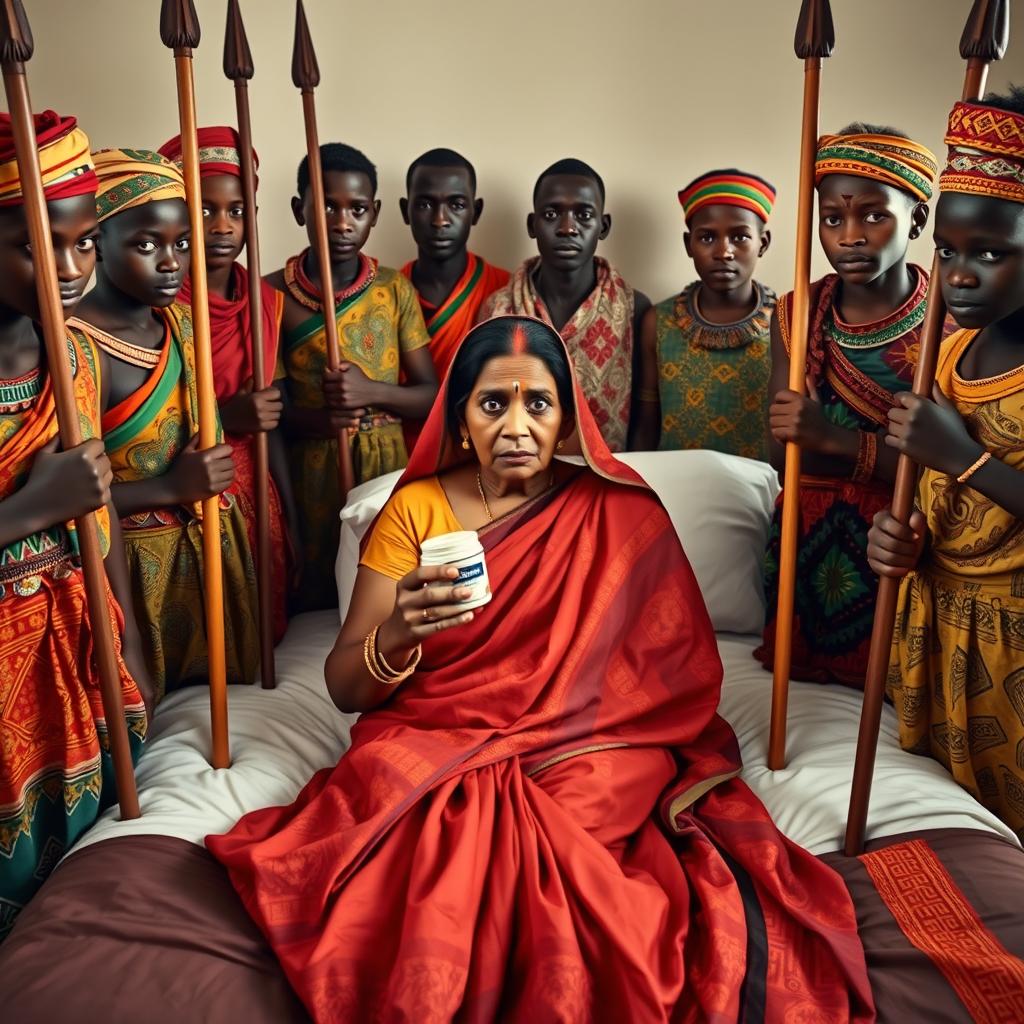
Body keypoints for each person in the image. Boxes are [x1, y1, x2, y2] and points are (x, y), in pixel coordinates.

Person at [207, 316, 875, 1023]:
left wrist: (572, 729)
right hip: (443, 733)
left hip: (593, 742)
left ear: (568, 418)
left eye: (540, 403)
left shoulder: (618, 509)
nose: (518, 425)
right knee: (402, 810)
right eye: (494, 404)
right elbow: (347, 688)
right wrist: (399, 630)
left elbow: (672, 676)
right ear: (460, 418)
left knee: (562, 843)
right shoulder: (416, 507)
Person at [0, 113, 148, 938]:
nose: (69, 269)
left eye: (85, 242)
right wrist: (27, 510)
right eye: (36, 247)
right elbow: (60, 500)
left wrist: (128, 651)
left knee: (76, 894)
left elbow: (97, 517)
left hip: (70, 643)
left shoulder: (79, 357)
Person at [867, 88, 1024, 838]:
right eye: (950, 252)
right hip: (937, 632)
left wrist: (961, 458)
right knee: (949, 834)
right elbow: (930, 502)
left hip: (1016, 647)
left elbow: (956, 468)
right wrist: (902, 538)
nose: (958, 275)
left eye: (991, 254)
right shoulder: (948, 350)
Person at [755, 125, 941, 687]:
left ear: (916, 220)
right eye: (832, 219)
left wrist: (834, 441)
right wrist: (803, 438)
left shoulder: (947, 325)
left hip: (902, 548)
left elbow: (943, 476)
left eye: (873, 216)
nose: (850, 236)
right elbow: (777, 454)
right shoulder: (797, 314)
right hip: (804, 545)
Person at [71, 149, 259, 697]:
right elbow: (80, 502)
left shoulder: (181, 319)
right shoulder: (77, 347)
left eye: (181, 244)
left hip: (210, 553)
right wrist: (170, 488)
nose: (172, 262)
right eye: (146, 245)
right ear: (97, 242)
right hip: (131, 573)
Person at [268, 142, 438, 611]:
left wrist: (371, 392)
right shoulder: (272, 295)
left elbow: (432, 396)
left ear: (376, 213)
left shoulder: (393, 288)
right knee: (317, 596)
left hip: (385, 467)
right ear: (299, 208)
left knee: (382, 591)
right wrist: (322, 420)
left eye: (357, 209)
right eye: (326, 206)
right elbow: (274, 414)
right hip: (310, 472)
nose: (342, 222)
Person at [158, 126, 298, 641]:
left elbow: (270, 418)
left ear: (252, 219)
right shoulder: (160, 303)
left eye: (236, 211)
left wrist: (293, 515)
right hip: (185, 490)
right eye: (205, 209)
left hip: (257, 490)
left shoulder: (265, 301)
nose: (221, 226)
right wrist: (224, 415)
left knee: (260, 632)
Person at [479, 159, 650, 452]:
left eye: (584, 215)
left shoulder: (634, 308)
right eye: (551, 214)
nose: (568, 228)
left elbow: (645, 420)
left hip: (605, 478)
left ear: (603, 226)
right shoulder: (498, 309)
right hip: (519, 475)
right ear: (533, 225)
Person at [633, 170, 777, 457]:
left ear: (763, 243)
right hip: (672, 493)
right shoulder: (658, 323)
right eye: (708, 238)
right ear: (689, 244)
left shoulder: (788, 322)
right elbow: (645, 428)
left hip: (760, 495)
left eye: (740, 237)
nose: (724, 252)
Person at [399, 147, 509, 382]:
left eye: (456, 205)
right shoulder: (386, 295)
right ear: (405, 211)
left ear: (476, 212)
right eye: (425, 205)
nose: (440, 220)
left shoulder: (506, 291)